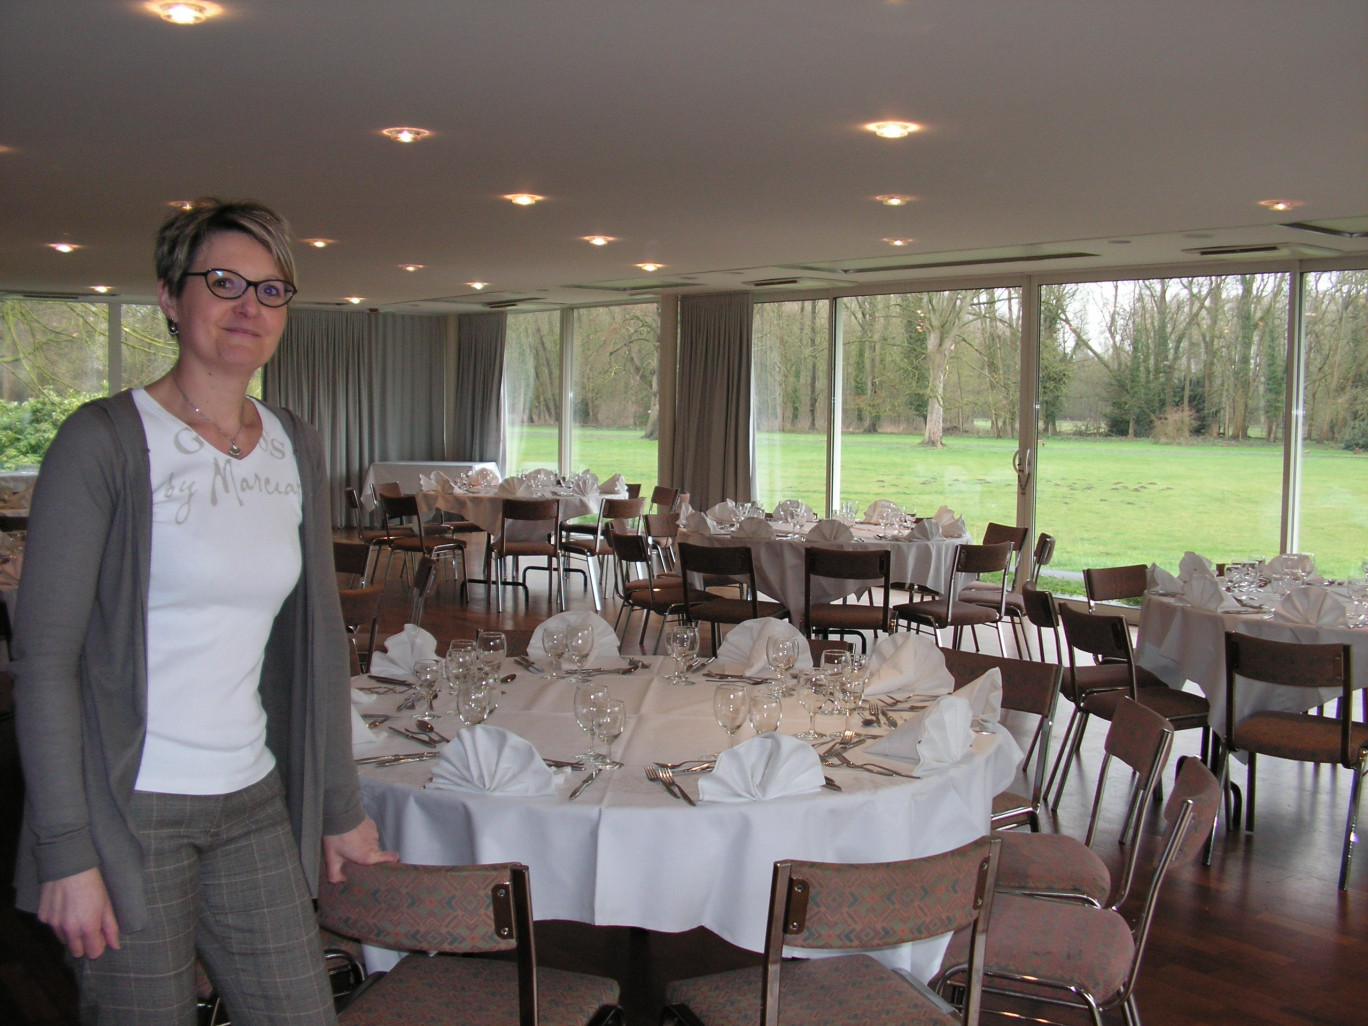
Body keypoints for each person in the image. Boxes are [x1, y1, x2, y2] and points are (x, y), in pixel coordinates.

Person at [11, 198, 397, 1024]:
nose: (247, 308)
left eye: (270, 290)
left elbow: (320, 640)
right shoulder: (104, 440)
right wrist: (65, 851)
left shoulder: (295, 439)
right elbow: (44, 662)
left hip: (253, 798)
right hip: (130, 810)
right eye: (222, 282)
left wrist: (338, 807)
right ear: (167, 296)